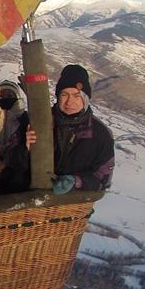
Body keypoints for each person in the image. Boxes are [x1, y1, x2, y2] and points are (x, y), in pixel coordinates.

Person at [51, 64, 115, 194]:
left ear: (85, 99)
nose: (69, 102)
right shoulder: (40, 122)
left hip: (74, 206)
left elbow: (103, 179)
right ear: (58, 97)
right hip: (34, 204)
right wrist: (25, 149)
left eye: (76, 96)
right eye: (64, 95)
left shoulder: (100, 134)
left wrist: (77, 182)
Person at [0, 79, 35, 194]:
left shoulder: (25, 119)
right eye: (2, 95)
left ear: (16, 96)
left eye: (10, 94)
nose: (6, 97)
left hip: (18, 176)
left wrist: (5, 162)